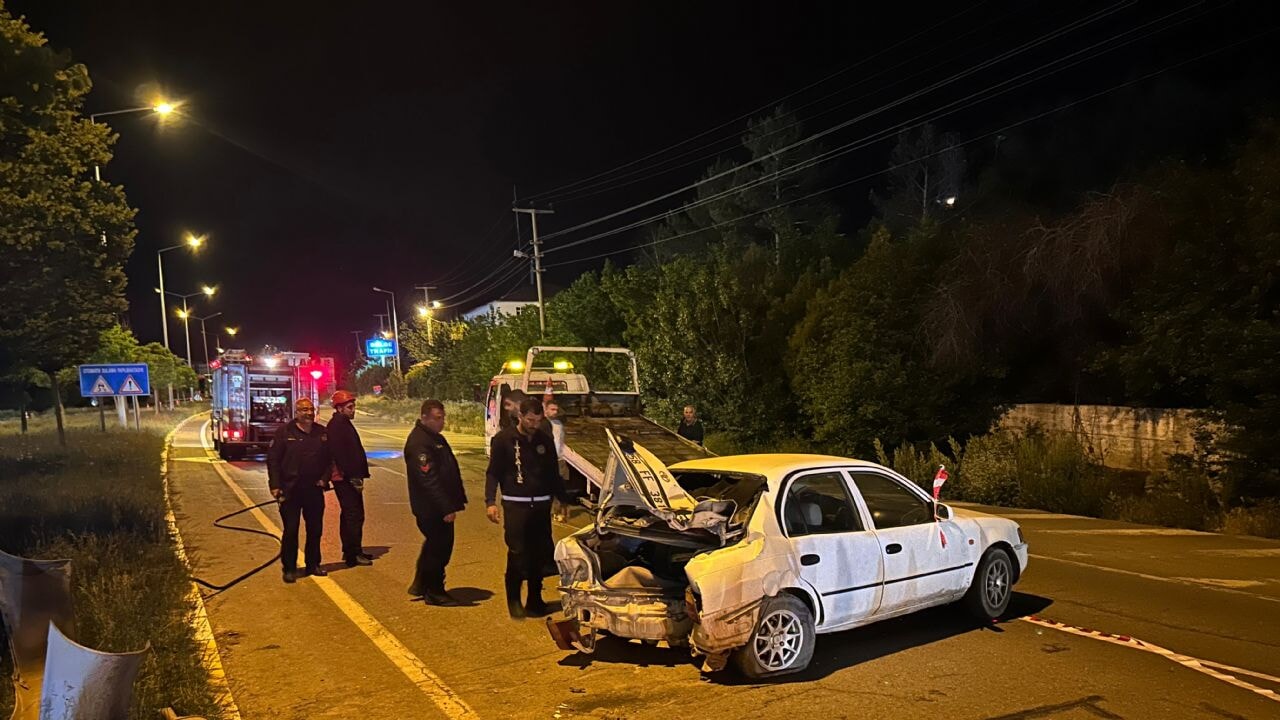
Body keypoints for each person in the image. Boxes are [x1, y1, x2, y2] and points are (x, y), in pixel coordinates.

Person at [486, 397, 570, 619]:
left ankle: (535, 600)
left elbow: (553, 472)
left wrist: (563, 499)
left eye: (538, 419)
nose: (534, 424)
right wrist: (490, 502)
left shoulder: (544, 439)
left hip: (541, 505)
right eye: (530, 420)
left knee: (539, 555)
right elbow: (493, 472)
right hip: (516, 505)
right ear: (520, 416)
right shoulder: (503, 439)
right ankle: (514, 599)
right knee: (518, 553)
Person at [404, 399, 467, 606]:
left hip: (436, 506)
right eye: (437, 418)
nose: (442, 422)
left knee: (433, 546)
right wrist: (445, 507)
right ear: (424, 417)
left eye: (442, 418)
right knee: (439, 549)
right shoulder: (420, 442)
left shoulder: (433, 438)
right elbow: (428, 479)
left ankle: (421, 584)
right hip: (432, 508)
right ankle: (435, 591)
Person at [267, 397, 331, 583]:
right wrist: (275, 485)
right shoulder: (284, 432)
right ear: (296, 412)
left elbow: (329, 460)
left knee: (315, 530)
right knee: (291, 530)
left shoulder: (322, 433)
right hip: (290, 491)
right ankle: (289, 568)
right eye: (304, 410)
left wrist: (324, 479)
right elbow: (273, 461)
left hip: (313, 490)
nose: (309, 413)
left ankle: (313, 564)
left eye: (311, 409)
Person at [327, 390, 373, 567]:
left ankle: (353, 550)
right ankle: (353, 553)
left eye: (353, 407)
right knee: (353, 515)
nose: (353, 410)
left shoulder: (343, 423)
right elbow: (341, 455)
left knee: (351, 515)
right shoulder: (337, 426)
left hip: (348, 477)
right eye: (349, 407)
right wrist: (352, 477)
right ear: (339, 408)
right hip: (345, 478)